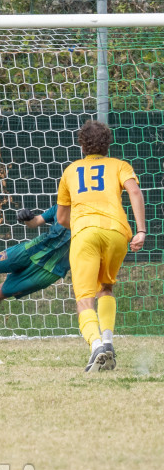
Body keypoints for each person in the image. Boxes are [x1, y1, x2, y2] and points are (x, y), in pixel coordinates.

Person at [57, 119, 146, 372]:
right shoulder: (120, 165)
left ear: (82, 145)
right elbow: (135, 192)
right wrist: (140, 231)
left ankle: (95, 345)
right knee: (105, 287)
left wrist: (83, 226)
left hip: (85, 232)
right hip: (117, 233)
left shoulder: (71, 171)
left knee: (84, 299)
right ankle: (107, 343)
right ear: (108, 143)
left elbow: (63, 217)